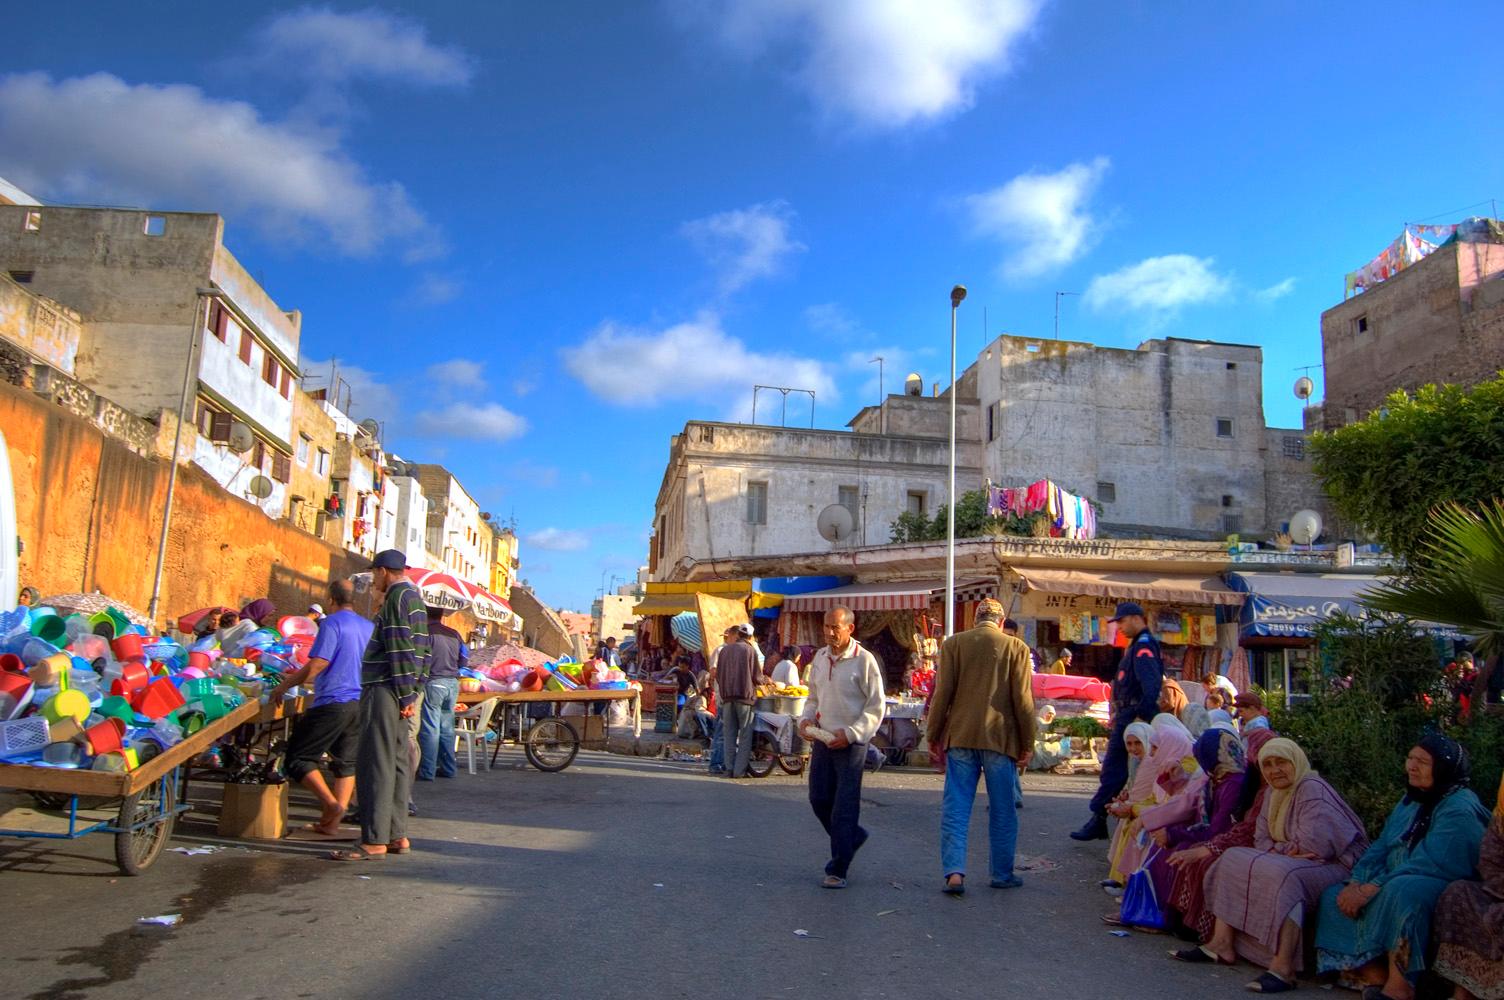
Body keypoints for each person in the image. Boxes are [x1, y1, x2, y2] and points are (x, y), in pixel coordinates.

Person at [1176, 737, 1370, 994]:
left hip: (1336, 866)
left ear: (1296, 762)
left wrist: (1281, 849)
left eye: (1281, 763)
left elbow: (1316, 846)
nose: (1274, 770)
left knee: (1284, 875)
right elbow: (1261, 837)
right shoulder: (1272, 792)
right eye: (1268, 764)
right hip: (1297, 860)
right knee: (1232, 858)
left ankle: (1283, 967)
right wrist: (1284, 848)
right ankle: (1221, 943)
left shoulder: (1310, 787)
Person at [1315, 734, 1490, 1000]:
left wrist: (1374, 887)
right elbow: (1383, 844)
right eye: (1410, 758)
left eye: (1422, 761)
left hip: (1435, 877)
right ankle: (1375, 975)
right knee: (1333, 896)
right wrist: (1358, 881)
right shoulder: (1411, 799)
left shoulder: (1460, 807)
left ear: (1443, 768)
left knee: (1404, 892)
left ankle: (1401, 985)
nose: (1411, 766)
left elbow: (1433, 860)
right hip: (1394, 874)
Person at [927, 598, 1035, 895]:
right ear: (1001, 623)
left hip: (960, 737)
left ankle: (954, 873)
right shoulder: (1017, 649)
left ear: (975, 621)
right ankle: (1001, 873)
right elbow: (1023, 703)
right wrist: (1029, 742)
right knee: (1003, 809)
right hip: (1000, 739)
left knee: (957, 808)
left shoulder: (954, 645)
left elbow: (942, 695)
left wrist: (933, 735)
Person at [332, 549, 431, 862]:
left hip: (385, 690)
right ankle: (396, 834)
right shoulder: (415, 599)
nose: (374, 579)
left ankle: (374, 839)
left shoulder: (397, 599)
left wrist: (403, 695)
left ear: (385, 571)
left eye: (376, 573)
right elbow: (423, 651)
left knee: (376, 762)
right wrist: (412, 693)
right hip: (402, 691)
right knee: (398, 761)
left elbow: (399, 648)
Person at [267, 580, 371, 837]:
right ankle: (331, 823)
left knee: (298, 758)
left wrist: (284, 685)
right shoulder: (369, 626)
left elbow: (317, 664)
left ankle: (331, 804)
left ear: (331, 600)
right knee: (346, 763)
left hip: (334, 701)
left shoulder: (332, 623)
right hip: (361, 701)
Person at [798, 606, 885, 889]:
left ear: (850, 628)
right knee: (819, 799)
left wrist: (851, 734)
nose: (829, 633)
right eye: (826, 626)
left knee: (844, 808)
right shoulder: (820, 658)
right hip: (823, 740)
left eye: (835, 627)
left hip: (852, 744)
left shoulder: (865, 661)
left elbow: (876, 708)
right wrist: (806, 719)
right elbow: (812, 697)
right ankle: (852, 838)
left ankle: (838, 867)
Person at [1166, 727, 1279, 941]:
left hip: (1250, 844)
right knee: (1182, 851)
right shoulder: (1223, 780)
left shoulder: (1236, 783)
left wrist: (1184, 838)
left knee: (1203, 861)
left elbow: (1229, 827)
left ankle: (1200, 928)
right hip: (1236, 838)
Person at [1127, 729, 1248, 927]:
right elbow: (1191, 802)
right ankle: (1152, 909)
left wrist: (1173, 833)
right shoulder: (1217, 777)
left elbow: (1218, 827)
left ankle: (1171, 918)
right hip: (1208, 832)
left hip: (1223, 840)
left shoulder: (1232, 783)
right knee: (1165, 844)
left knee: (1179, 850)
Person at [1072, 602, 1164, 841]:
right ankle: (1101, 818)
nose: (1120, 627)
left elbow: (1151, 685)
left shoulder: (1143, 646)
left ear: (1136, 618)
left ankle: (1099, 818)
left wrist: (1137, 719)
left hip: (1133, 716)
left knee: (1115, 769)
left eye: (1122, 621)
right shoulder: (1135, 647)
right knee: (1117, 771)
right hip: (1127, 715)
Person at [1434, 774, 1504, 1000]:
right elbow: (1490, 859)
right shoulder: (1502, 817)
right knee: (1458, 892)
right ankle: (1463, 993)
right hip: (1500, 890)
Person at [1108, 720, 1199, 886]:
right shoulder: (1165, 765)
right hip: (1161, 816)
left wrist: (1136, 811)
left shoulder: (1185, 771)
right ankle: (1131, 888)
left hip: (1178, 826)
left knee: (1145, 831)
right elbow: (1155, 797)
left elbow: (1177, 807)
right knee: (1136, 827)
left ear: (1169, 746)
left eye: (1155, 748)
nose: (1150, 754)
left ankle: (1139, 892)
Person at [416, 606, 466, 781]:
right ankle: (448, 768)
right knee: (447, 728)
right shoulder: (455, 634)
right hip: (452, 683)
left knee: (430, 728)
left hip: (434, 681)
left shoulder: (426, 633)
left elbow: (419, 659)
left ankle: (427, 771)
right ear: (442, 615)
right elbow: (464, 659)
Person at [712, 623, 761, 778]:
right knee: (745, 735)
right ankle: (739, 771)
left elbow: (718, 676)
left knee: (729, 735)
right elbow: (757, 677)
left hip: (727, 698)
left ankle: (729, 768)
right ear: (750, 637)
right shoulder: (750, 650)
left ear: (739, 634)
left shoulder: (725, 650)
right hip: (745, 698)